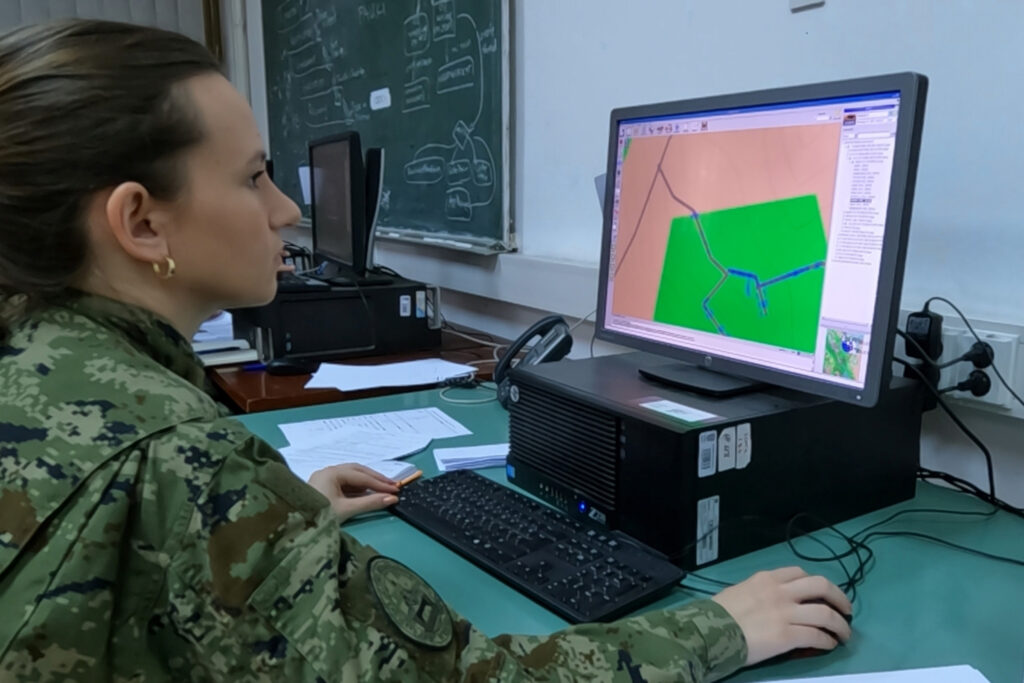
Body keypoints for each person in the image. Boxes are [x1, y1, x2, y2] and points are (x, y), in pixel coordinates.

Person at [0, 19, 852, 681]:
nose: (285, 210)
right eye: (252, 176)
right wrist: (719, 628)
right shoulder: (182, 462)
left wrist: (269, 524)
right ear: (141, 222)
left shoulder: (35, 351)